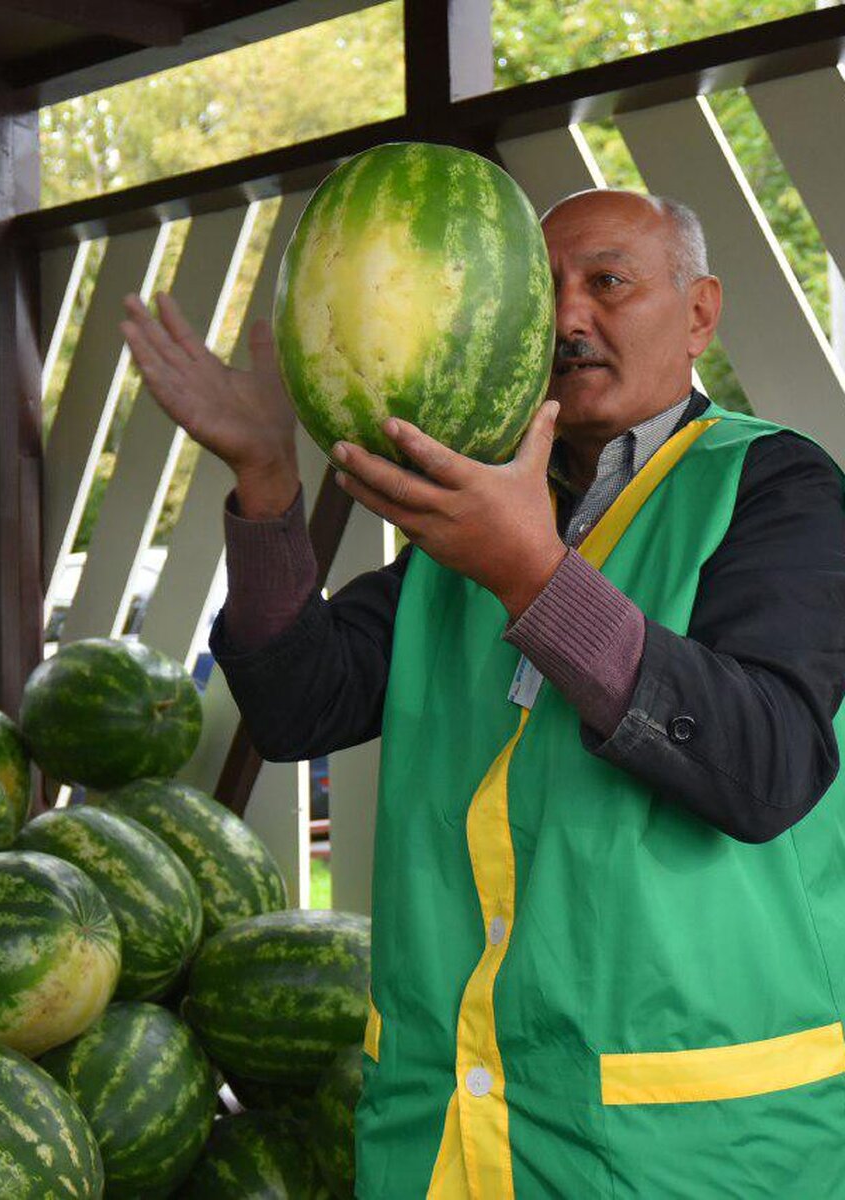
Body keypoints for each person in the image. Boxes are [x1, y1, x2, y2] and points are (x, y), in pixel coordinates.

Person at [120, 187, 845, 1197]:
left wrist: (533, 576)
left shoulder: (775, 490)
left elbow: (763, 764)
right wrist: (266, 477)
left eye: (608, 282)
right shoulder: (481, 519)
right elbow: (297, 705)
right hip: (451, 1140)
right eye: (540, 291)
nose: (566, 319)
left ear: (700, 312)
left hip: (687, 1149)